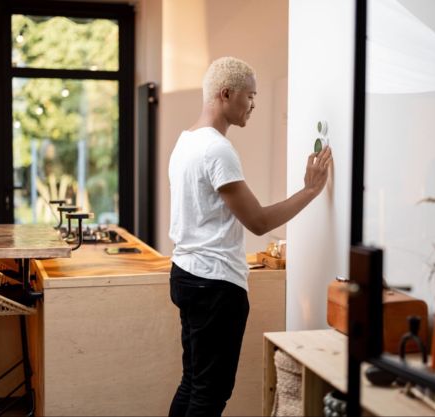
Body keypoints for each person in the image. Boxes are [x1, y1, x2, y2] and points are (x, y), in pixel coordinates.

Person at [168, 56, 332, 417]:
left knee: (193, 382)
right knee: (210, 394)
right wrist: (309, 191)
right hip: (214, 285)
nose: (254, 105)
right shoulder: (217, 149)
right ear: (226, 94)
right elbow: (258, 221)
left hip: (185, 274)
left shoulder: (186, 142)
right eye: (250, 96)